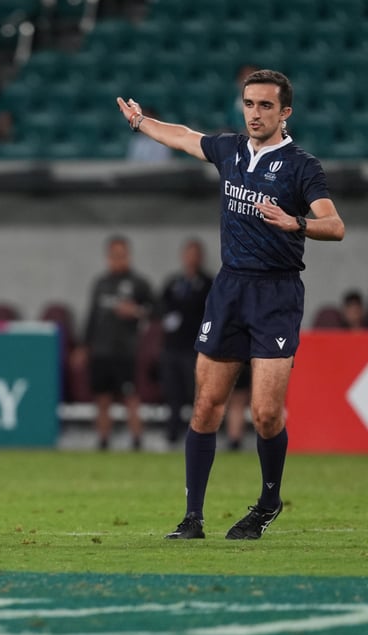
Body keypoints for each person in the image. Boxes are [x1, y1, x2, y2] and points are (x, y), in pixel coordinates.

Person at [117, 68, 345, 540]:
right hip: (230, 289)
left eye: (266, 106)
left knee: (264, 413)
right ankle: (193, 518)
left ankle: (267, 501)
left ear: (286, 113)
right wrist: (141, 123)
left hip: (277, 293)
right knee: (206, 407)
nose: (255, 113)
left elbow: (335, 225)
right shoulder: (231, 149)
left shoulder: (303, 166)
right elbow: (183, 138)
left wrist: (295, 223)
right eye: (249, 104)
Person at [80, 235, 154, 451]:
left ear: (128, 256)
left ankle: (137, 441)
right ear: (108, 257)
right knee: (102, 399)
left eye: (121, 255)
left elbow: (156, 311)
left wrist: (137, 311)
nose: (117, 260)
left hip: (126, 351)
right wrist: (85, 346)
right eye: (114, 255)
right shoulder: (101, 283)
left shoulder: (138, 284)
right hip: (101, 351)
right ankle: (103, 441)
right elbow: (92, 317)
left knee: (130, 397)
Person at [158, 238, 213, 445]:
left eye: (195, 254)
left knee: (196, 394)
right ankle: (171, 435)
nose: (191, 258)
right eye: (188, 253)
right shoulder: (173, 283)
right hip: (172, 347)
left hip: (196, 348)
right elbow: (161, 308)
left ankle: (198, 436)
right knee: (172, 393)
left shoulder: (208, 283)